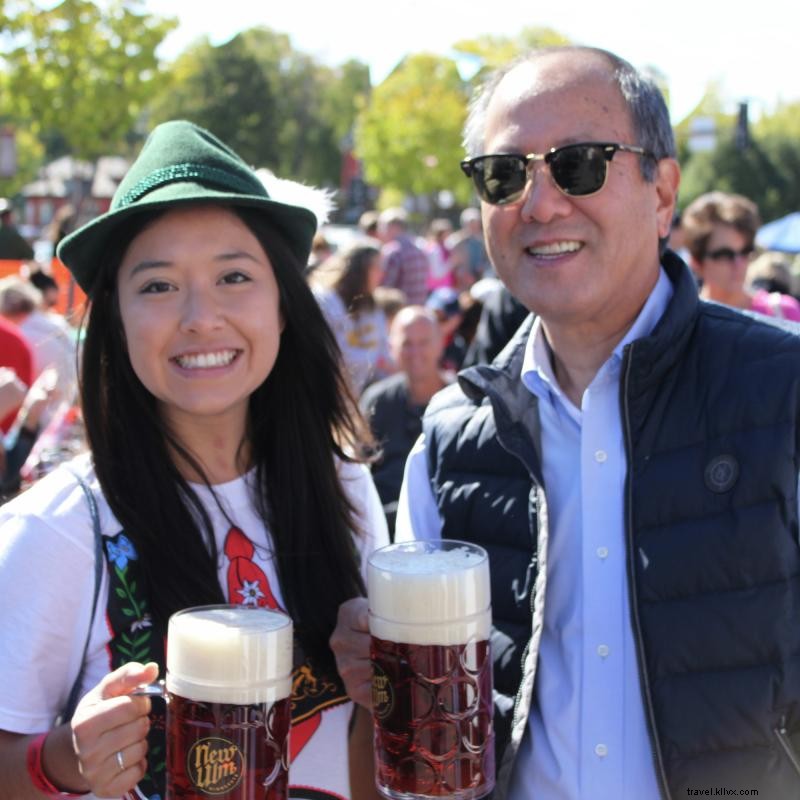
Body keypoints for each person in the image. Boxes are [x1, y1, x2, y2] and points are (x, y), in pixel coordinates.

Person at [330, 46, 800, 799]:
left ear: (662, 191)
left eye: (579, 163)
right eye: (504, 174)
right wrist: (373, 672)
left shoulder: (783, 394)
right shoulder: (453, 436)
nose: (540, 204)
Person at [0, 120, 389, 800]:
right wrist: (63, 759)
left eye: (234, 276)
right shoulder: (54, 530)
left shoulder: (344, 486)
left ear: (283, 306)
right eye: (157, 286)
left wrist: (384, 692)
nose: (200, 317)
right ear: (115, 321)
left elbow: (362, 764)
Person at [359, 306, 451, 537]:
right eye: (407, 343)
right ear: (391, 347)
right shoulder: (377, 402)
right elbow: (358, 471)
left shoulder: (460, 403)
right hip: (383, 529)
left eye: (424, 342)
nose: (415, 352)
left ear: (441, 344)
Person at [683, 190, 800, 320]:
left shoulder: (783, 312)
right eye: (725, 254)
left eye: (745, 251)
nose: (739, 263)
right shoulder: (685, 322)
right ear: (696, 263)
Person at [311, 241, 393, 394]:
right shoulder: (325, 302)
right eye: (377, 267)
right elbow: (326, 356)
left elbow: (382, 351)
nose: (382, 273)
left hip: (359, 394)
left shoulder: (372, 307)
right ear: (359, 270)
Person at [377, 207, 430, 306]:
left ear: (393, 227)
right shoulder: (420, 248)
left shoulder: (393, 251)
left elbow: (386, 288)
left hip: (398, 311)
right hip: (418, 309)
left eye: (382, 227)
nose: (380, 232)